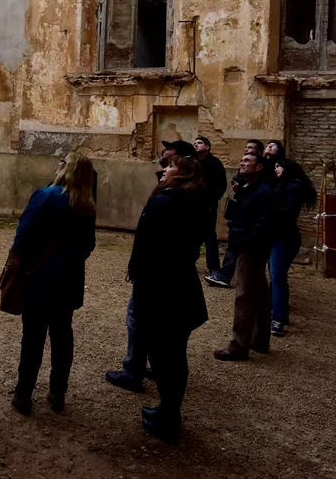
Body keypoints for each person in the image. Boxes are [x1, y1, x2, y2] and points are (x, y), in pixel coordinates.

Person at [123, 156, 209, 445]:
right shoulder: (193, 201)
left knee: (163, 355)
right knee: (174, 354)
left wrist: (141, 283)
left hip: (163, 293)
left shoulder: (165, 202)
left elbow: (150, 250)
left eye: (170, 166)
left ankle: (168, 416)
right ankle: (169, 410)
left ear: (182, 175)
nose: (163, 169)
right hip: (181, 289)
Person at [107, 139, 197, 393]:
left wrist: (138, 269)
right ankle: (151, 368)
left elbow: (150, 240)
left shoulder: (168, 198)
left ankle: (133, 371)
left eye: (170, 160)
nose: (164, 160)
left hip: (154, 276)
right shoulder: (185, 194)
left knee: (138, 318)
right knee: (155, 326)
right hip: (167, 274)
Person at [11, 152, 97, 415]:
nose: (58, 165)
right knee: (62, 337)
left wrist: (27, 261)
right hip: (68, 281)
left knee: (33, 338)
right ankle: (58, 393)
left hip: (40, 279)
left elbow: (22, 238)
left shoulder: (45, 196)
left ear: (67, 170)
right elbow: (88, 246)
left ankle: (23, 394)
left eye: (63, 163)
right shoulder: (87, 206)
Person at [214, 152, 275, 361]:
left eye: (247, 161)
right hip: (249, 244)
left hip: (252, 249)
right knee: (259, 294)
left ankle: (239, 346)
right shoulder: (251, 188)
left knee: (244, 296)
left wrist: (247, 242)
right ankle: (260, 339)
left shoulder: (264, 191)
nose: (242, 162)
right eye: (241, 159)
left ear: (259, 167)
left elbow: (263, 223)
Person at [268, 158, 317, 337]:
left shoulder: (293, 187)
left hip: (284, 238)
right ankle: (277, 312)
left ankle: (279, 319)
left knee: (278, 278)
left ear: (288, 168)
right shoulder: (282, 185)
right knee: (275, 278)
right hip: (276, 236)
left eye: (278, 165)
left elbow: (285, 213)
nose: (275, 169)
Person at [195, 137, 228, 280]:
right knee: (191, 234)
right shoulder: (192, 162)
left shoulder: (214, 163)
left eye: (199, 143)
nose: (196, 145)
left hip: (208, 205)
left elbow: (221, 184)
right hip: (192, 204)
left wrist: (212, 199)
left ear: (207, 147)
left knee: (209, 236)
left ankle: (214, 268)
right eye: (195, 143)